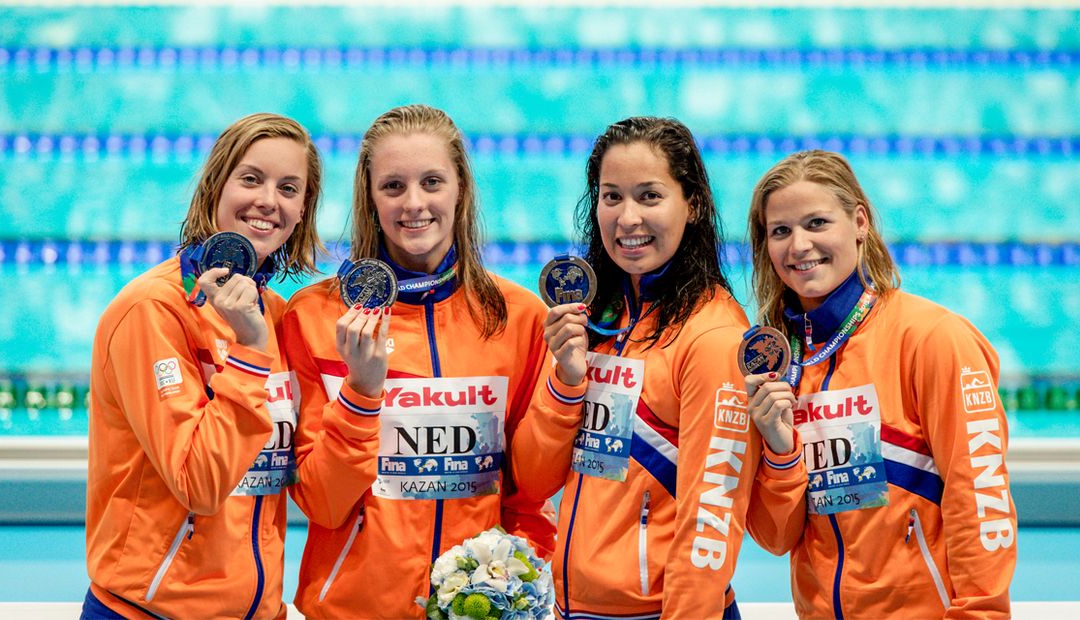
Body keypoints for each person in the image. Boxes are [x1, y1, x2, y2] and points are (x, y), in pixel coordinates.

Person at [282, 104, 557, 619]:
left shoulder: (518, 318)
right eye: (393, 187)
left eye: (432, 182)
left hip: (482, 609)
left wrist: (518, 589)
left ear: (461, 189)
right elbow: (320, 501)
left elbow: (529, 493)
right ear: (369, 197)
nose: (414, 204)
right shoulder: (316, 318)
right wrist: (361, 396)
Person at [511, 117, 771, 619]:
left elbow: (710, 520)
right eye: (612, 197)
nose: (627, 218)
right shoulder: (595, 321)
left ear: (691, 204)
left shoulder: (711, 337)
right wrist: (566, 381)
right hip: (575, 609)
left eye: (649, 196)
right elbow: (534, 479)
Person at [744, 150, 1017, 618]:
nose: (799, 245)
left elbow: (980, 498)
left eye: (817, 223)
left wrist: (982, 612)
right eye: (781, 231)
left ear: (859, 222)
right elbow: (775, 537)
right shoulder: (778, 364)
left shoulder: (932, 338)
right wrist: (779, 448)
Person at [83, 113, 323, 618]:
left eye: (288, 188)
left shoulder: (278, 316)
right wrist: (251, 351)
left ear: (302, 210)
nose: (267, 201)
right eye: (251, 179)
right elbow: (200, 484)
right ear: (216, 186)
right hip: (149, 612)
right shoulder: (153, 310)